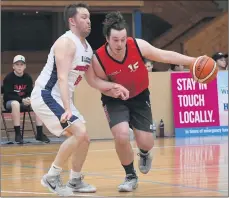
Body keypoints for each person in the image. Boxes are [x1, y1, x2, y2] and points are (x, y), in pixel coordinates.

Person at [92, 11, 202, 192]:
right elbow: (97, 81)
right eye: (115, 40)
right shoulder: (99, 58)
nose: (120, 44)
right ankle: (130, 176)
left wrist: (193, 61)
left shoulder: (137, 45)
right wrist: (113, 88)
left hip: (140, 96)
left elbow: (165, 55)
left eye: (122, 39)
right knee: (121, 135)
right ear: (107, 38)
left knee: (146, 142)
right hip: (115, 98)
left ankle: (144, 153)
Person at [31, 4, 128, 196]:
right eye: (83, 17)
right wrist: (68, 109)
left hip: (61, 98)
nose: (88, 21)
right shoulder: (66, 42)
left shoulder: (87, 48)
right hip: (47, 95)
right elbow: (62, 77)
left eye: (89, 17)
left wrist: (113, 88)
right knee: (78, 132)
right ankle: (52, 177)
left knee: (84, 138)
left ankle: (75, 180)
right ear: (72, 21)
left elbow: (92, 80)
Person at [3, 55, 50, 144]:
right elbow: (8, 95)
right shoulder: (9, 78)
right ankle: (18, 134)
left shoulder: (27, 78)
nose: (19, 66)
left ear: (25, 66)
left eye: (21, 64)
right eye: (17, 64)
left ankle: (39, 134)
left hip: (24, 102)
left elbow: (30, 92)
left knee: (37, 103)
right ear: (13, 66)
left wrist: (29, 99)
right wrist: (21, 100)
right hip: (10, 103)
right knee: (15, 103)